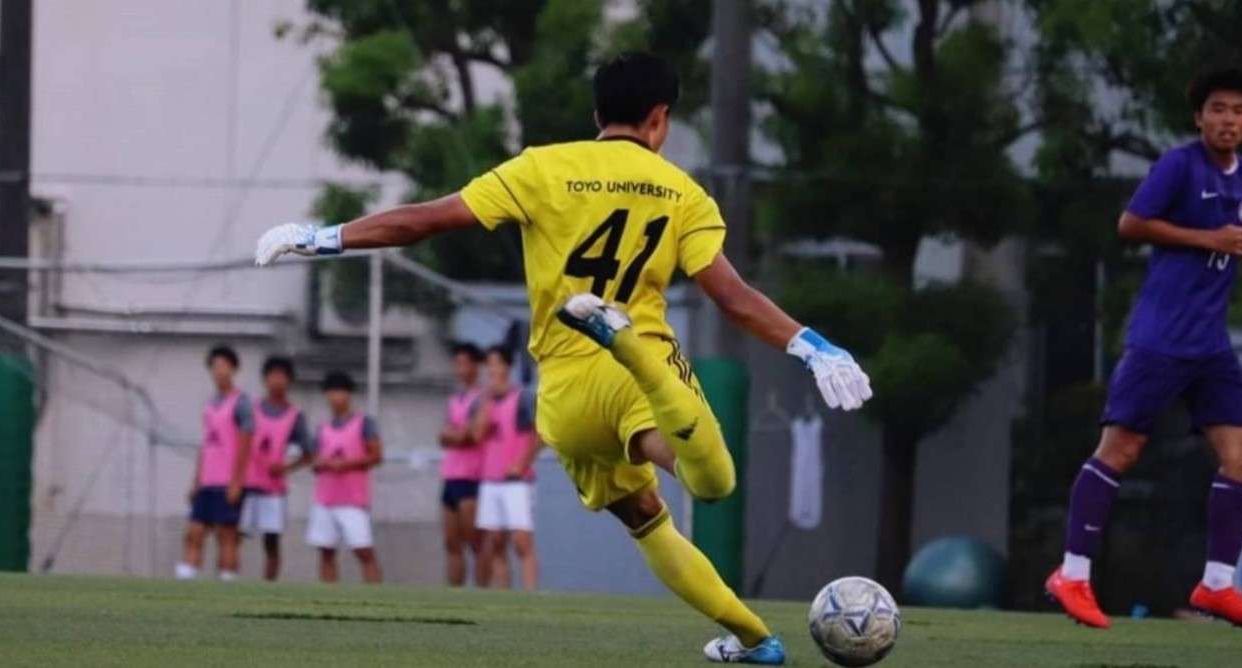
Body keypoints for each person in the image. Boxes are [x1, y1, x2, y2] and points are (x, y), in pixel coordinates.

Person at [255, 52, 872, 664]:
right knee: (711, 482)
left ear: (597, 114)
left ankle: (756, 641)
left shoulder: (542, 168)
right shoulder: (684, 193)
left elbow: (427, 220)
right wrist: (810, 346)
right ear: (660, 117)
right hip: (638, 380)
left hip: (564, 395)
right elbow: (732, 297)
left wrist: (323, 237)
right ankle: (629, 345)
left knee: (644, 516)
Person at [1045, 66, 1242, 629]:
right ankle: (1072, 574)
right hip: (1161, 339)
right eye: (1218, 109)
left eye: (1239, 111)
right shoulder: (1179, 165)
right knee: (1121, 451)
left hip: (1210, 346)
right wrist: (1208, 238)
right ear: (1199, 117)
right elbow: (1131, 223)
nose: (1229, 119)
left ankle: (1217, 585)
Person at [176, 345, 253, 582]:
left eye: (224, 366)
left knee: (226, 534)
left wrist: (237, 481)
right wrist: (196, 481)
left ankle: (228, 579)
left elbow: (245, 444)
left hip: (227, 481)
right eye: (215, 367)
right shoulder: (209, 404)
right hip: (208, 480)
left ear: (234, 369)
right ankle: (187, 578)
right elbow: (206, 444)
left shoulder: (241, 403)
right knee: (195, 531)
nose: (219, 371)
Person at [472, 345, 543, 591]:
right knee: (495, 541)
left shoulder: (523, 398)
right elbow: (477, 435)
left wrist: (522, 463)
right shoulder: (484, 400)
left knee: (521, 540)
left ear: (507, 367)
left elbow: (541, 434)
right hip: (490, 479)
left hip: (516, 480)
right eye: (488, 365)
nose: (492, 370)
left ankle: (531, 593)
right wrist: (486, 402)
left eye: (496, 364)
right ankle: (503, 594)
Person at [240, 356, 313, 581]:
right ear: (265, 379)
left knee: (271, 540)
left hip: (273, 489)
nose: (277, 381)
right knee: (233, 535)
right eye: (273, 375)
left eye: (282, 376)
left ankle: (268, 586)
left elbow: (309, 453)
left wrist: (286, 468)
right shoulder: (250, 409)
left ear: (289, 380)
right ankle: (228, 581)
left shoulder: (295, 416)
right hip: (246, 483)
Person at [308, 371, 384, 584]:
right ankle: (328, 597)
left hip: (352, 499)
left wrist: (346, 464)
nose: (335, 397)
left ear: (349, 394)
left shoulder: (364, 423)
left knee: (363, 551)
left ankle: (375, 597)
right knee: (326, 551)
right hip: (326, 499)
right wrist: (322, 464)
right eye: (331, 392)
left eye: (340, 391)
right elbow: (314, 460)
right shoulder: (322, 428)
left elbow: (376, 455)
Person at [440, 342, 489, 587]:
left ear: (476, 366)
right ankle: (454, 594)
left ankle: (482, 593)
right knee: (451, 542)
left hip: (472, 477)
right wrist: (456, 434)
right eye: (457, 363)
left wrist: (456, 435)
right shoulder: (454, 400)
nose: (460, 368)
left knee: (476, 541)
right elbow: (443, 436)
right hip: (451, 476)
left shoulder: (482, 398)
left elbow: (471, 435)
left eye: (466, 363)